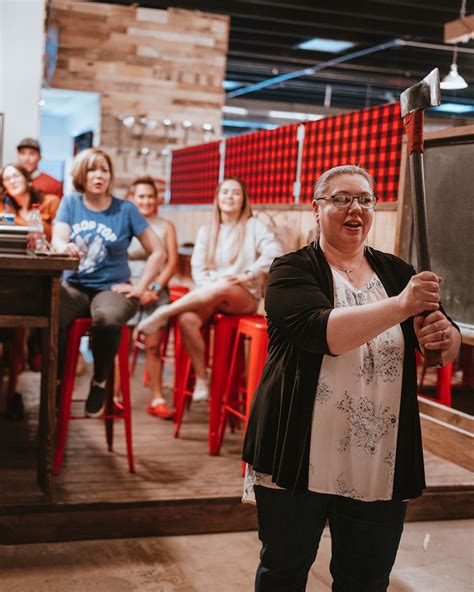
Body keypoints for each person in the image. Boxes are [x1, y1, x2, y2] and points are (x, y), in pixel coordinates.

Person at [242, 165, 461, 592]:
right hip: (297, 451)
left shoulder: (398, 273)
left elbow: (442, 346)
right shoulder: (290, 271)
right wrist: (402, 308)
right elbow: (325, 333)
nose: (354, 208)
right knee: (284, 571)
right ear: (317, 208)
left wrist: (444, 337)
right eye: (341, 198)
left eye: (364, 199)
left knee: (366, 579)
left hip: (378, 457)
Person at [139, 177, 283, 402]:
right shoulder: (207, 230)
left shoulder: (255, 226)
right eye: (225, 192)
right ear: (217, 199)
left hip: (243, 295)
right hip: (211, 293)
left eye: (235, 193)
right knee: (188, 319)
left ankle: (164, 312)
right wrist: (209, 287)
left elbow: (275, 253)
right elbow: (198, 268)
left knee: (225, 285)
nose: (229, 197)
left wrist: (249, 273)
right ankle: (202, 379)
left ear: (244, 199)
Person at [52, 148, 164, 417]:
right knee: (52, 314)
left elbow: (158, 251)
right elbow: (57, 238)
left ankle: (99, 379)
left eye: (104, 169)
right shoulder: (70, 203)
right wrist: (64, 246)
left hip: (111, 288)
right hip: (75, 285)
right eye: (92, 169)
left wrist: (140, 287)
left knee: (108, 317)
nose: (99, 175)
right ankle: (57, 380)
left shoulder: (125, 209)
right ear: (82, 174)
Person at [128, 175, 178, 420]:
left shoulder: (165, 225)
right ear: (132, 199)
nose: (146, 201)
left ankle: (157, 398)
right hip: (127, 288)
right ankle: (116, 397)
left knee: (153, 346)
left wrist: (155, 288)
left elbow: (171, 263)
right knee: (120, 346)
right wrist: (134, 288)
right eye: (141, 196)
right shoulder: (124, 223)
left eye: (150, 196)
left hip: (156, 292)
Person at [1, 163, 60, 241]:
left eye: (16, 176)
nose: (12, 181)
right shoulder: (4, 207)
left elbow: (59, 237)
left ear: (27, 179)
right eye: (7, 179)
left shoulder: (51, 201)